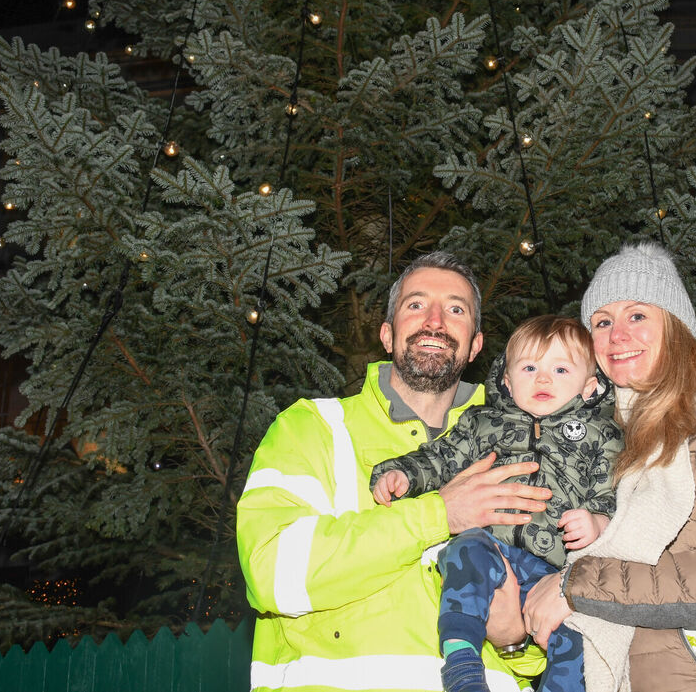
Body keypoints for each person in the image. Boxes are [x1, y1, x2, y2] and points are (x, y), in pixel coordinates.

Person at [236, 252, 551, 692]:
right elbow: (272, 571)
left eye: (455, 309)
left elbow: (550, 609)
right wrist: (438, 514)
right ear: (387, 334)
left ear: (476, 345)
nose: (435, 321)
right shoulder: (314, 427)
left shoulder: (525, 444)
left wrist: (515, 640)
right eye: (416, 304)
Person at [522, 242, 696, 692]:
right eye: (602, 322)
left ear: (675, 327)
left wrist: (576, 586)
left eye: (637, 316)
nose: (617, 335)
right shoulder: (604, 442)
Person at [370, 315, 622, 692]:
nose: (543, 379)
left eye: (560, 369)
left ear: (589, 387)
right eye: (530, 368)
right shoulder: (482, 422)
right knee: (464, 553)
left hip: (552, 570)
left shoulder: (601, 435)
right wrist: (403, 473)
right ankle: (461, 665)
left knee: (576, 631)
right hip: (490, 546)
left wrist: (598, 520)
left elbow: (613, 492)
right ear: (507, 379)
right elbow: (442, 457)